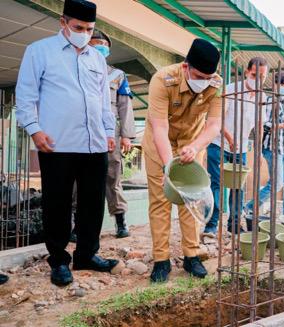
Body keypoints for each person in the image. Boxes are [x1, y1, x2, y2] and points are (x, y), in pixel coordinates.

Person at [15, 0, 118, 286]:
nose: (84, 33)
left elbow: (103, 102)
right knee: (57, 203)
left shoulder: (97, 58)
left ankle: (86, 254)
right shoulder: (39, 52)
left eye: (89, 29)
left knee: (92, 203)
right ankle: (59, 260)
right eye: (78, 27)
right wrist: (35, 131)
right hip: (56, 144)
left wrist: (109, 130)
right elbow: (26, 97)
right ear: (63, 22)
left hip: (95, 143)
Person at [142, 38, 222, 283]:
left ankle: (192, 256)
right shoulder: (163, 79)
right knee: (160, 201)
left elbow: (214, 125)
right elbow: (159, 126)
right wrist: (170, 167)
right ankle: (161, 260)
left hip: (191, 145)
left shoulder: (216, 84)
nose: (204, 82)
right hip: (160, 146)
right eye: (199, 76)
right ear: (186, 67)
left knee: (192, 200)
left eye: (209, 77)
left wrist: (196, 146)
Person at [205, 57, 268, 235]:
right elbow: (218, 119)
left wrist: (259, 152)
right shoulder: (231, 90)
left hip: (240, 148)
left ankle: (233, 224)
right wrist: (229, 137)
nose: (258, 80)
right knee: (216, 184)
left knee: (238, 187)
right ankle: (212, 225)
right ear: (247, 72)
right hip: (218, 143)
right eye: (254, 75)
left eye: (262, 77)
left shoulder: (262, 97)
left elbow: (259, 125)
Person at [89, 30, 136, 238]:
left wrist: (126, 135)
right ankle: (75, 223)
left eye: (103, 45)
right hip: (81, 130)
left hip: (110, 132)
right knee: (77, 177)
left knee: (112, 175)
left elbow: (125, 106)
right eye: (95, 43)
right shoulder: (76, 68)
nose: (100, 47)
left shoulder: (117, 75)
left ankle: (120, 221)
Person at [244, 72, 284, 218]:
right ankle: (249, 207)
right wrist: (282, 125)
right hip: (272, 148)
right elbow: (263, 124)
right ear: (276, 85)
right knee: (277, 183)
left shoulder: (283, 103)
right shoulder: (270, 101)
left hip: (283, 148)